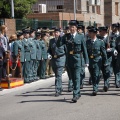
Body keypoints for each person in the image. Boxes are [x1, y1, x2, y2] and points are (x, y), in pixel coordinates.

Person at [62, 20, 89, 102]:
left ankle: (75, 94)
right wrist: (61, 36)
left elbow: (84, 49)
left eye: (73, 27)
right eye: (70, 27)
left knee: (77, 77)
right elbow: (59, 44)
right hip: (69, 59)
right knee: (72, 78)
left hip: (77, 59)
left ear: (76, 28)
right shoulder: (66, 36)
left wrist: (86, 61)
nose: (71, 28)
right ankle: (78, 92)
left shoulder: (80, 36)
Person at [86, 27, 108, 96]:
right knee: (92, 75)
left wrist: (105, 61)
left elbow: (104, 53)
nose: (89, 34)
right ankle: (95, 84)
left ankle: (95, 89)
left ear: (94, 33)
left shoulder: (100, 42)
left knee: (96, 74)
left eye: (90, 32)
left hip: (97, 60)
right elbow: (86, 53)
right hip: (90, 60)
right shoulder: (87, 42)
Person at [48, 29, 66, 96]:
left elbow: (66, 50)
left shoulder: (62, 40)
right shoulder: (51, 41)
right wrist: (49, 54)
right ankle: (60, 87)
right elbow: (49, 50)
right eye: (55, 32)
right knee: (57, 75)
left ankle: (57, 90)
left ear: (59, 33)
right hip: (54, 59)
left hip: (61, 58)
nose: (56, 33)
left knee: (58, 75)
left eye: (57, 32)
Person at [98, 26, 115, 91]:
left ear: (104, 32)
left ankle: (106, 84)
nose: (99, 32)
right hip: (99, 57)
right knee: (99, 72)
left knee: (107, 71)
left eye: (101, 31)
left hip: (108, 57)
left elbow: (114, 47)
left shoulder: (110, 38)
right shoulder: (98, 38)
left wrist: (110, 49)